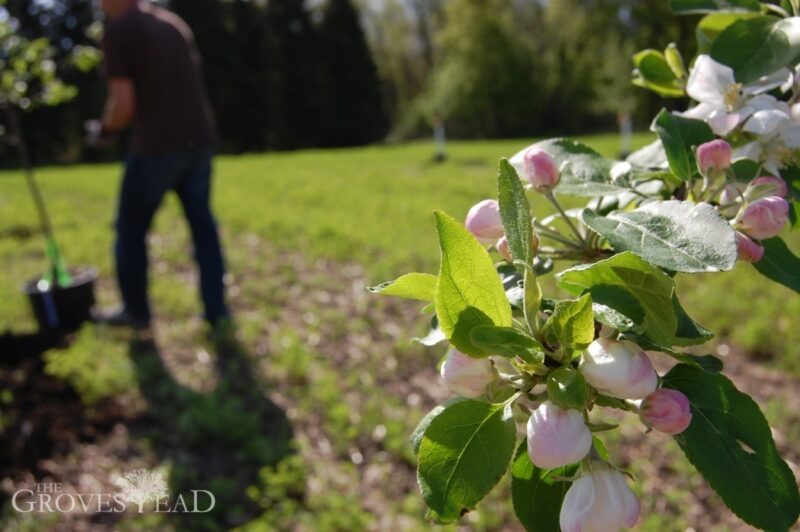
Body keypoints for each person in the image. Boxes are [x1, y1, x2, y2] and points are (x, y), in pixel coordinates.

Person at [89, 0, 229, 330]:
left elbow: (122, 106)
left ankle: (135, 312)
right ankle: (217, 312)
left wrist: (104, 130)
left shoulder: (121, 31)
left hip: (157, 146)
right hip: (199, 141)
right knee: (203, 230)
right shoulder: (174, 24)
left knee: (130, 230)